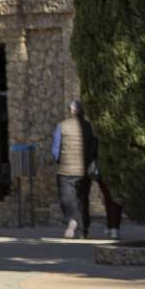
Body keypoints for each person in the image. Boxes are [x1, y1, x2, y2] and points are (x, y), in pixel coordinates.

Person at [51, 99, 98, 238]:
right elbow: (94, 146)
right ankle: (83, 230)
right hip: (83, 171)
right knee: (82, 199)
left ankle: (71, 220)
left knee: (66, 199)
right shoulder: (89, 126)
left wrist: (60, 160)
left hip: (65, 170)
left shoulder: (62, 126)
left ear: (71, 111)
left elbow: (55, 150)